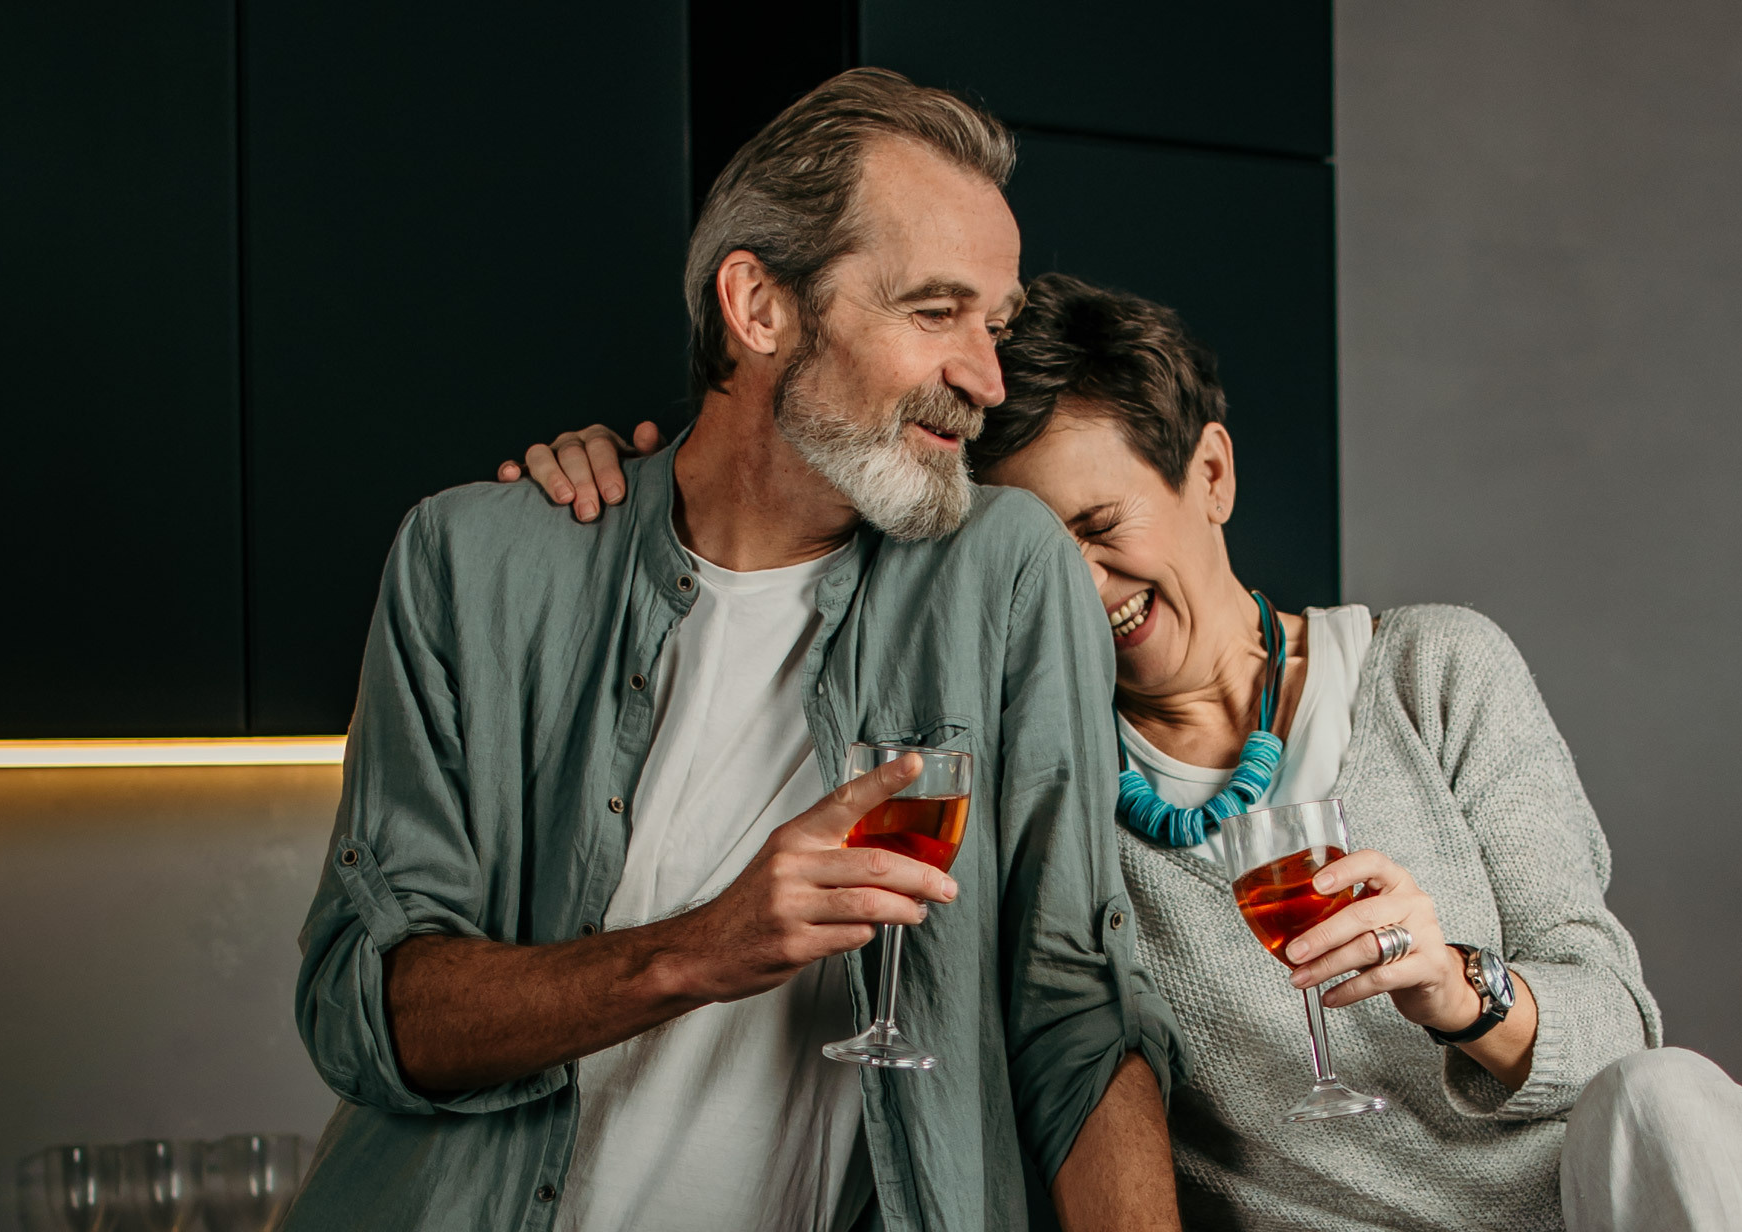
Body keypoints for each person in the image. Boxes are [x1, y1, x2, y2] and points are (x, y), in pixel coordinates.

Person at [510, 273, 1742, 1231]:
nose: (1076, 587)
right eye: (1026, 552)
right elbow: (762, 554)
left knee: (1670, 1106)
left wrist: (1454, 985)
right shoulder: (1035, 788)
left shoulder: (1437, 671)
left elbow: (1623, 1024)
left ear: (1214, 476)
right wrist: (611, 488)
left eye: (1100, 526)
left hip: (1599, 1206)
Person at [288, 74, 1187, 1232]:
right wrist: (707, 944)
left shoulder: (1003, 570)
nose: (984, 378)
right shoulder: (475, 560)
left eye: (993, 323)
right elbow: (365, 1009)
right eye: (932, 313)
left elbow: (1075, 1004)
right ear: (757, 306)